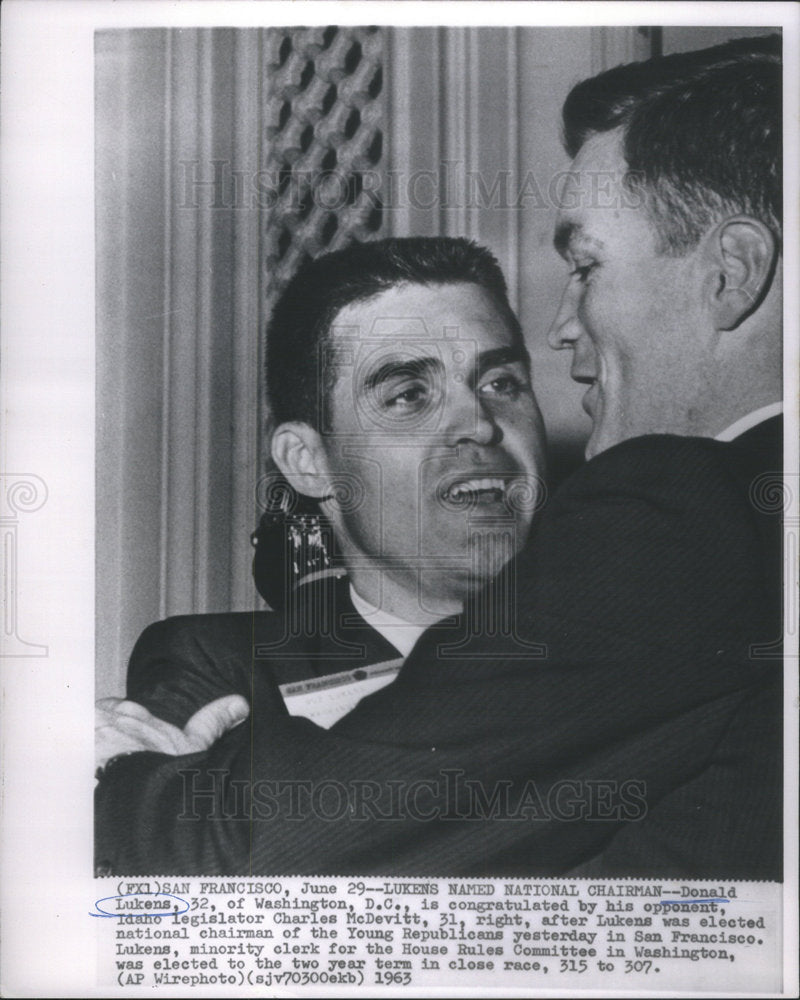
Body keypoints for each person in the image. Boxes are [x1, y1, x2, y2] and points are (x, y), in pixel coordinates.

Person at [96, 35, 783, 879]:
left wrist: (110, 774)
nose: (478, 425)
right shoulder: (219, 663)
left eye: (501, 382)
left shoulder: (675, 521)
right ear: (307, 462)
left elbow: (263, 847)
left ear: (734, 271)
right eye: (407, 395)